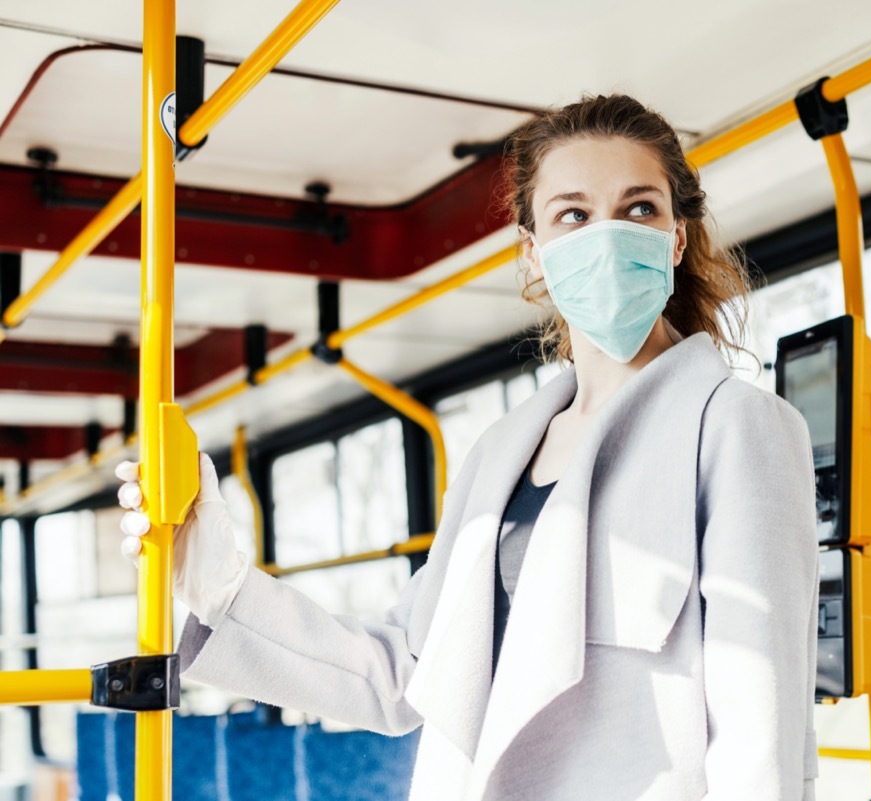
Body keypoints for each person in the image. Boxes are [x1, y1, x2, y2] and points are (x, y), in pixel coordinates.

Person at [117, 94, 820, 801]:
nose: (608, 237)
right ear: (534, 251)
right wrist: (219, 584)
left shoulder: (737, 426)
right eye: (573, 215)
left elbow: (760, 731)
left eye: (638, 208)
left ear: (676, 236)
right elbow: (401, 672)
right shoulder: (499, 454)